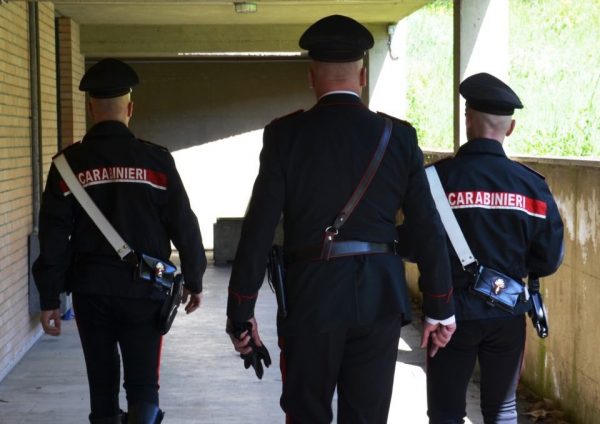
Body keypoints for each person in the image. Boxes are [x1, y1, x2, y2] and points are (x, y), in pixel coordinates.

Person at [225, 15, 456, 424]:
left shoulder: (284, 135)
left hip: (310, 297)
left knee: (306, 414)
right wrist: (440, 305)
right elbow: (428, 226)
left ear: (311, 77)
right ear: (362, 76)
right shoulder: (398, 136)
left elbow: (258, 229)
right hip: (380, 297)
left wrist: (241, 311)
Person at [33, 58, 207, 424]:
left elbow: (53, 236)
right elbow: (183, 223)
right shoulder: (156, 161)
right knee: (144, 386)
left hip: (91, 290)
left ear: (90, 109)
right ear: (130, 109)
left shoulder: (66, 165)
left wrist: (50, 298)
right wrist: (194, 278)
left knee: (102, 384)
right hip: (145, 290)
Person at [421, 73, 564, 423]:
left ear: (467, 120)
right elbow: (548, 259)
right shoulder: (532, 186)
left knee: (445, 412)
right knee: (502, 410)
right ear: (510, 128)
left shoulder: (434, 180)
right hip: (507, 312)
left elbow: (414, 245)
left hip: (448, 311)